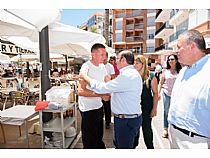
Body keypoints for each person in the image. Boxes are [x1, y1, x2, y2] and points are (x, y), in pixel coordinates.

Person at [80, 50, 142, 149]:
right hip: (129, 118)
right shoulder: (131, 74)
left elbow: (101, 88)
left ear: (123, 60)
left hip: (125, 120)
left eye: (117, 58)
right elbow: (121, 92)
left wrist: (85, 77)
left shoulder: (127, 76)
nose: (115, 61)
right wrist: (109, 84)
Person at [168, 30, 210, 149]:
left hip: (196, 142)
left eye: (179, 47)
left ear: (192, 46)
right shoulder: (184, 71)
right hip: (174, 136)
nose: (176, 51)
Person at [78, 43, 108, 149]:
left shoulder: (102, 66)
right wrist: (100, 95)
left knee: (98, 139)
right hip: (88, 110)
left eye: (105, 54)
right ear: (93, 54)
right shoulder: (86, 67)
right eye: (102, 54)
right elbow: (80, 91)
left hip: (99, 107)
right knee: (90, 143)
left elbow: (107, 81)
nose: (104, 57)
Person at [133, 55, 158, 149]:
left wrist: (154, 108)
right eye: (134, 63)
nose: (135, 65)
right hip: (135, 105)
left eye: (137, 63)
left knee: (146, 128)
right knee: (135, 128)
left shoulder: (151, 76)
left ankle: (150, 147)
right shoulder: (132, 75)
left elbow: (156, 93)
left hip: (147, 106)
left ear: (143, 64)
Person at [158, 54, 182, 138]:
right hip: (166, 94)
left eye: (172, 59)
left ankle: (174, 129)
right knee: (166, 111)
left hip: (177, 95)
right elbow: (160, 83)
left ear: (176, 60)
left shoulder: (180, 71)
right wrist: (158, 94)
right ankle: (165, 128)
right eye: (169, 60)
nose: (170, 61)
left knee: (176, 111)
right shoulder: (165, 71)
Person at [103, 52, 115, 129]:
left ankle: (107, 122)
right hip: (99, 90)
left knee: (107, 107)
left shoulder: (110, 66)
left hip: (107, 90)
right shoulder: (98, 66)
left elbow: (113, 78)